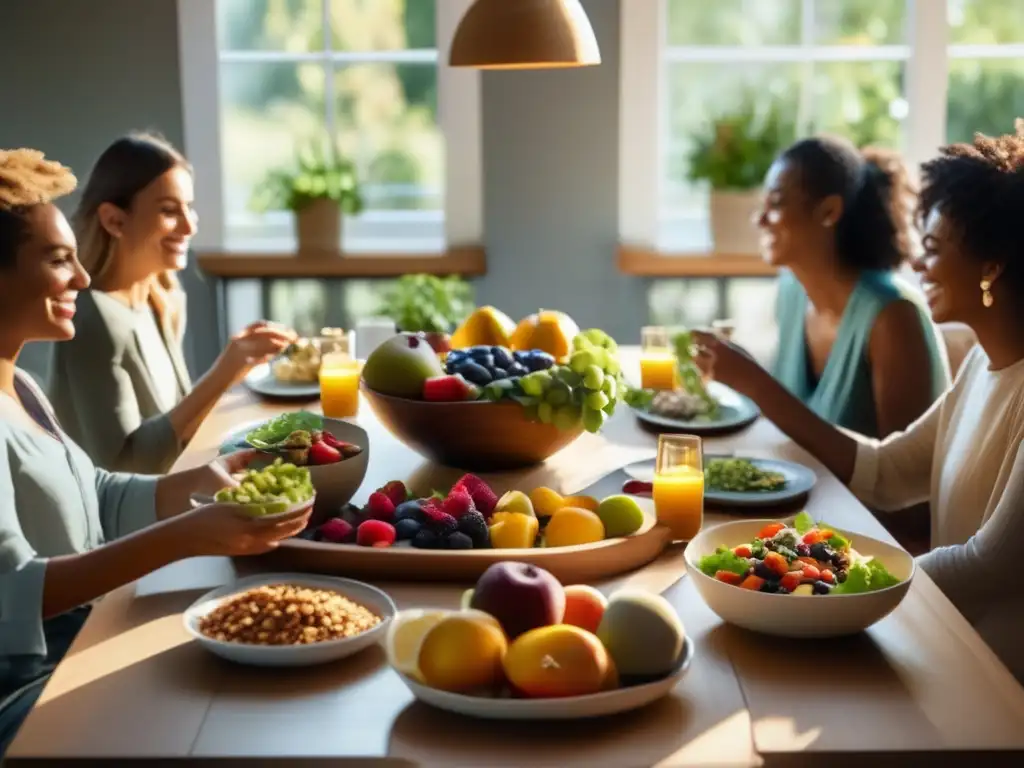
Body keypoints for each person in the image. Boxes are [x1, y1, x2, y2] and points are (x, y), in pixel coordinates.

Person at [0, 147, 311, 757]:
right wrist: (188, 534)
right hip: (30, 691)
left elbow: (97, 493)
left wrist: (196, 483)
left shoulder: (22, 386)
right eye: (58, 260)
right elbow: (10, 596)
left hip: (85, 641)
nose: (82, 279)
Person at [694, 121, 1024, 681]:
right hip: (937, 639)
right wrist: (808, 568)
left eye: (935, 250)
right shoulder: (981, 365)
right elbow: (888, 469)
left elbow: (986, 567)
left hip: (994, 680)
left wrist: (832, 585)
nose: (918, 267)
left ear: (991, 267)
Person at [50, 133, 296, 475]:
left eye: (188, 207)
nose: (189, 225)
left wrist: (238, 367)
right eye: (169, 210)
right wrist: (223, 371)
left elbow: (175, 429)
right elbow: (126, 466)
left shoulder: (163, 294)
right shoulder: (92, 320)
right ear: (114, 220)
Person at [760, 135, 950, 439]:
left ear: (829, 212)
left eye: (777, 203)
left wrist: (751, 382)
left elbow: (904, 477)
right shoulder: (791, 292)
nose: (760, 219)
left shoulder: (893, 316)